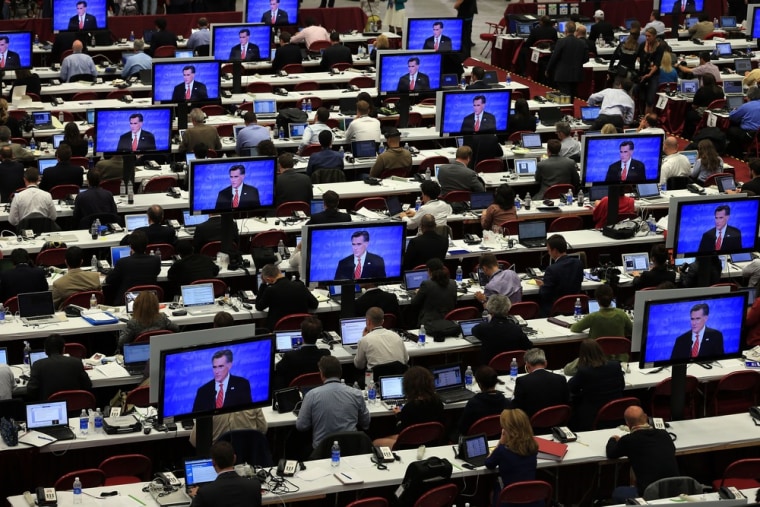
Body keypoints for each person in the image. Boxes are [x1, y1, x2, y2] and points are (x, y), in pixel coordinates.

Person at [606, 406, 679, 502]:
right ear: (645, 417)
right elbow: (672, 450)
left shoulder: (629, 440)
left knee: (618, 492)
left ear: (627, 423)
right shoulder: (664, 434)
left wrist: (613, 439)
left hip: (649, 494)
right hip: (676, 490)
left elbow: (611, 453)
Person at [296, 356, 370, 448]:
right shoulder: (356, 394)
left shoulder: (312, 395)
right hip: (351, 449)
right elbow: (366, 423)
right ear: (340, 372)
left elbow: (301, 426)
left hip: (322, 451)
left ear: (321, 374)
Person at [373, 366, 444, 448]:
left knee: (376, 442)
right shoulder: (438, 402)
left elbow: (401, 431)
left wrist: (399, 416)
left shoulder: (410, 408)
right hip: (431, 442)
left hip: (409, 445)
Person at [567, 339, 625, 430]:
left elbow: (572, 388)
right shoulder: (615, 365)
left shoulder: (584, 371)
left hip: (593, 414)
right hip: (616, 410)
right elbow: (622, 386)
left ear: (582, 354)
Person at [484, 409, 539, 503]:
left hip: (509, 500)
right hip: (531, 499)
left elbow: (488, 463)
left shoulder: (503, 450)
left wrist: (500, 442)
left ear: (507, 429)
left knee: (492, 492)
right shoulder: (533, 446)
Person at [188, 441, 261, 507]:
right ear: (234, 458)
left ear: (213, 462)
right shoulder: (254, 486)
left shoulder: (205, 492)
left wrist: (196, 497)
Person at [26, 334, 92, 401]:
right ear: (63, 349)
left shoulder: (38, 365)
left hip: (50, 407)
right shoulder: (76, 362)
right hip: (76, 406)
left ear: (45, 351)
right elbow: (88, 385)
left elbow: (31, 391)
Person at [256, 263, 318, 331]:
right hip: (301, 330)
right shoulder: (300, 286)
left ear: (269, 279)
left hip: (278, 331)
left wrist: (263, 283)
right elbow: (315, 304)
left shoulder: (271, 290)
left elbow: (259, 306)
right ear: (279, 272)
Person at [105, 230, 161, 305]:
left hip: (128, 301)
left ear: (131, 246)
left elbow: (109, 280)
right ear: (147, 245)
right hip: (149, 300)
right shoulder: (156, 260)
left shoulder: (123, 262)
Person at [472, 295, 531, 365]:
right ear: (508, 309)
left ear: (489, 309)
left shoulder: (482, 328)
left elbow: (474, 331)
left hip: (489, 368)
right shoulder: (516, 329)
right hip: (512, 366)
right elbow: (528, 345)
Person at [274, 316, 330, 389]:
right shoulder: (325, 354)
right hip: (318, 390)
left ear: (301, 333)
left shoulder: (290, 356)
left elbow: (278, 368)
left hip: (295, 393)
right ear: (319, 334)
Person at [512, 348, 569, 418]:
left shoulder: (522, 381)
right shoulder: (561, 379)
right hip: (556, 421)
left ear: (527, 365)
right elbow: (567, 403)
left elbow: (516, 407)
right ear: (545, 363)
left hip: (531, 424)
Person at [536, 235, 584, 316]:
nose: (548, 253)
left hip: (555, 309)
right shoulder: (578, 263)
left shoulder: (551, 269)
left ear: (554, 251)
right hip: (574, 306)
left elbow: (545, 294)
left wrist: (542, 286)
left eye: (548, 250)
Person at [458, 366, 511, 435]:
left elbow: (462, 428)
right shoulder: (507, 403)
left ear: (479, 384)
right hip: (499, 437)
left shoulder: (473, 404)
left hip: (477, 440)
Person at [354, 307, 408, 371]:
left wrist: (364, 338)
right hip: (398, 377)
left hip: (375, 378)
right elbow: (406, 359)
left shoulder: (365, 340)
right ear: (383, 321)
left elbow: (359, 365)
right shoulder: (396, 336)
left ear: (368, 322)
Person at [545, 21, 588, 102]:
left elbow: (554, 57)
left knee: (564, 96)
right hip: (576, 73)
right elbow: (586, 58)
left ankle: (565, 112)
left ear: (566, 30)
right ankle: (571, 111)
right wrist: (577, 63)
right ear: (575, 30)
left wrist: (548, 69)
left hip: (563, 73)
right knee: (572, 95)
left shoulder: (561, 41)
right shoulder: (582, 42)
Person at [410, 258, 457, 326]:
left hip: (429, 323)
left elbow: (414, 303)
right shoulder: (453, 283)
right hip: (448, 322)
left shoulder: (426, 284)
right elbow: (454, 301)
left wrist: (416, 293)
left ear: (429, 271)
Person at [683, 74, 724, 140]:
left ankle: (687, 136)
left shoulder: (701, 90)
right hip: (716, 113)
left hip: (703, 114)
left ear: (704, 81)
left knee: (689, 114)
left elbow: (694, 106)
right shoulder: (720, 89)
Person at [727, 85, 760, 157]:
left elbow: (732, 117)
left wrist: (734, 110)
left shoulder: (746, 106)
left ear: (748, 97)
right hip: (758, 133)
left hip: (751, 134)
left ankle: (737, 154)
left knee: (731, 130)